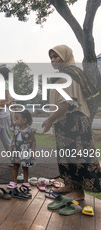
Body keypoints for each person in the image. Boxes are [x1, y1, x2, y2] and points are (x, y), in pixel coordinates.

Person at [42, 44, 101, 200]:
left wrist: (49, 120)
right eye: (51, 57)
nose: (53, 60)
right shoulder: (63, 75)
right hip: (64, 122)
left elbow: (66, 103)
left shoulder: (70, 74)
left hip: (74, 122)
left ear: (66, 56)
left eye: (56, 56)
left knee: (78, 157)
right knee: (66, 157)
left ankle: (79, 192)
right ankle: (70, 185)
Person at [7, 110, 35, 190]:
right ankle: (14, 182)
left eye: (17, 119)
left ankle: (25, 182)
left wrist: (33, 151)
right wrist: (11, 148)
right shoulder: (15, 129)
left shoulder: (30, 130)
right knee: (15, 166)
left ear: (24, 120)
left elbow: (33, 141)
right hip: (17, 151)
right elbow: (14, 139)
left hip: (25, 152)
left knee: (25, 167)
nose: (15, 121)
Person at [0, 67, 14, 133]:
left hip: (3, 100)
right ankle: (12, 121)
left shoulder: (4, 83)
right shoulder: (6, 83)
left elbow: (6, 92)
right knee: (10, 109)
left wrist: (7, 100)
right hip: (5, 99)